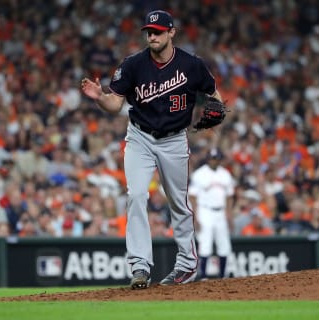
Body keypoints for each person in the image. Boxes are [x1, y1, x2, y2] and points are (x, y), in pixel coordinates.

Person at [80, 10, 224, 289]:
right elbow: (115, 104)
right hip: (140, 137)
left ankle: (185, 265)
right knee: (135, 195)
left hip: (174, 139)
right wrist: (99, 98)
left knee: (178, 203)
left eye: (158, 31)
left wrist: (217, 109)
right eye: (149, 31)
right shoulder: (133, 64)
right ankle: (139, 267)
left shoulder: (191, 65)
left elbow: (213, 94)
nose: (152, 36)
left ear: (172, 32)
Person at [189, 148, 235, 280]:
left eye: (216, 158)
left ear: (219, 159)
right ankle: (203, 275)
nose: (214, 161)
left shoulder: (225, 174)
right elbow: (192, 197)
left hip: (221, 211)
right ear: (208, 159)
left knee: (224, 244)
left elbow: (229, 196)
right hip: (205, 211)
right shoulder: (199, 174)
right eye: (212, 158)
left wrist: (229, 214)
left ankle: (222, 275)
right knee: (205, 243)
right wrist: (195, 216)